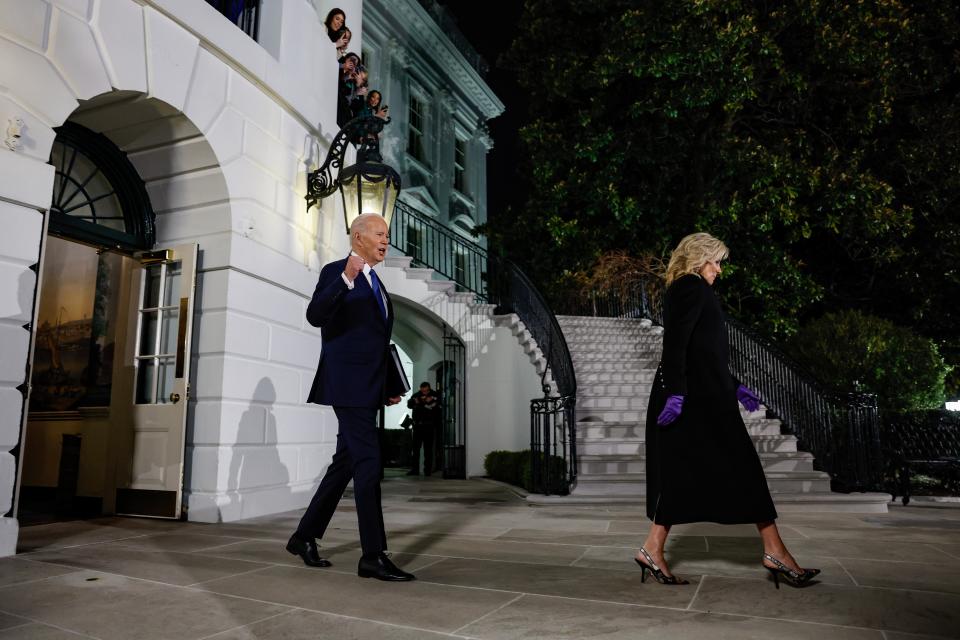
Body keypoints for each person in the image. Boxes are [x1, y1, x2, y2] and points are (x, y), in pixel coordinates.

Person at [639, 232, 820, 589]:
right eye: (716, 261)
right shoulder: (691, 287)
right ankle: (774, 552)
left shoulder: (689, 289)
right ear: (698, 258)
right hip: (691, 401)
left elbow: (703, 351)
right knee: (742, 468)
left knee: (684, 475)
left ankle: (652, 549)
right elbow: (675, 345)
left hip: (702, 396)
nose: (719, 270)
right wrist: (676, 394)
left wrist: (734, 386)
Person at [286, 213, 415, 582]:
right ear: (358, 237)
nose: (385, 240)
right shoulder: (337, 271)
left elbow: (376, 343)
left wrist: (388, 386)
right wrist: (346, 278)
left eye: (387, 235)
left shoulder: (378, 284)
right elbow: (315, 315)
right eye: (379, 234)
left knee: (345, 463)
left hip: (368, 386)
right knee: (369, 464)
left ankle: (303, 536)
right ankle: (372, 555)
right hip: (347, 385)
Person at [406, 382, 441, 476]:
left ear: (429, 389)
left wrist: (420, 402)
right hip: (417, 426)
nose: (424, 392)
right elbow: (409, 404)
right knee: (415, 449)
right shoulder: (416, 395)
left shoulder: (435, 395)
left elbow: (434, 405)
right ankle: (415, 470)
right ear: (420, 389)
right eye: (423, 390)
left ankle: (427, 471)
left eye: (426, 391)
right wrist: (423, 401)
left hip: (429, 426)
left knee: (428, 450)